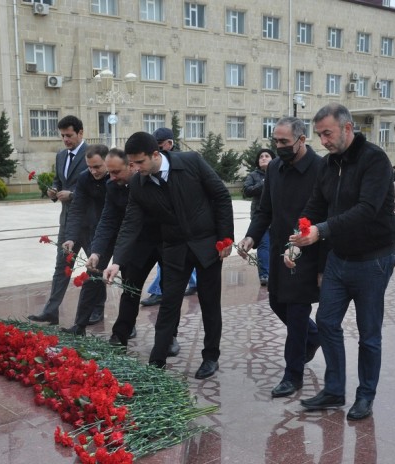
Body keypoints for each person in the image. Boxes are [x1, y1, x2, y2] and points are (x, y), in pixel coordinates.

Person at [292, 103, 395, 421]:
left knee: (369, 333)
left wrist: (321, 231)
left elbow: (367, 209)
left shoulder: (375, 160)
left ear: (348, 128)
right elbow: (315, 205)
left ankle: (365, 396)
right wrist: (297, 238)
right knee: (326, 322)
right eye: (320, 135)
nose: (323, 141)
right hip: (339, 259)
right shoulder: (328, 165)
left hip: (373, 260)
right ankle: (334, 389)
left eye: (328, 133)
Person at [104, 131, 234, 379]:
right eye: (132, 163)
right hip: (174, 249)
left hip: (207, 246)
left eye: (140, 162)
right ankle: (157, 360)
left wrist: (225, 238)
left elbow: (221, 196)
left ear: (156, 154)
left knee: (209, 304)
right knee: (168, 305)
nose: (136, 168)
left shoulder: (191, 162)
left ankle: (210, 357)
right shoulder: (139, 184)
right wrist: (117, 261)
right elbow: (131, 222)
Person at [237, 118, 323, 398]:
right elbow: (265, 210)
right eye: (276, 141)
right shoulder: (274, 167)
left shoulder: (321, 168)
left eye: (284, 142)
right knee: (276, 301)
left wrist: (320, 259)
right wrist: (251, 236)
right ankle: (314, 337)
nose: (279, 146)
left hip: (307, 249)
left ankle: (292, 374)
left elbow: (327, 215)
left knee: (297, 312)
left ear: (302, 139)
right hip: (278, 247)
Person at [86, 148, 178, 355]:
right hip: (136, 245)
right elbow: (108, 219)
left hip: (166, 242)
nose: (112, 177)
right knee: (129, 290)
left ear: (131, 165)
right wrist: (97, 251)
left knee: (170, 291)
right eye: (110, 172)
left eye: (116, 172)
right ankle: (120, 335)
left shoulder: (151, 178)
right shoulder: (113, 186)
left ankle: (169, 337)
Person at [28, 115, 89, 325]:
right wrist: (52, 191)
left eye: (69, 135)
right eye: (62, 135)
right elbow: (58, 180)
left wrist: (72, 194)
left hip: (90, 222)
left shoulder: (92, 154)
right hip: (67, 221)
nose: (65, 139)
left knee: (94, 268)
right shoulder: (61, 156)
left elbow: (96, 188)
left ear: (80, 133)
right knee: (61, 265)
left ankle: (96, 311)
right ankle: (51, 311)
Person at [140, 127, 198, 306]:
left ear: (170, 144)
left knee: (170, 259)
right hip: (166, 226)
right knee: (179, 259)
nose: (156, 150)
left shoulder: (183, 163)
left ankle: (159, 290)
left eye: (159, 145)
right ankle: (193, 282)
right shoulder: (151, 169)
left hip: (184, 224)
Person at [59, 144, 111, 335]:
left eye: (97, 166)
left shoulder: (117, 177)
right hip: (96, 232)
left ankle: (127, 326)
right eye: (90, 167)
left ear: (107, 161)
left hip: (120, 231)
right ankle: (79, 325)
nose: (93, 171)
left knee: (129, 277)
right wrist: (71, 237)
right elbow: (77, 208)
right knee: (93, 272)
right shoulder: (84, 178)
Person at [242, 148, 275, 287]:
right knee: (264, 244)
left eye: (267, 156)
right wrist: (265, 182)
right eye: (261, 156)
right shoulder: (254, 175)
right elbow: (247, 190)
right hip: (260, 217)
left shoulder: (280, 173)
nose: (264, 158)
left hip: (278, 217)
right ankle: (264, 275)